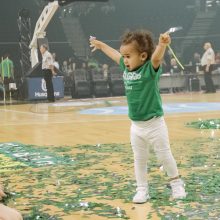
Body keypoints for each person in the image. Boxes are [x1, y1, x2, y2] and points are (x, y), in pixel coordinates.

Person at [90, 30, 186, 204]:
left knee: (165, 155)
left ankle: (177, 184)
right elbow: (114, 55)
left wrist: (162, 45)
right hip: (136, 127)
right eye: (124, 56)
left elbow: (156, 58)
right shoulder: (125, 67)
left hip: (155, 125)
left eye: (128, 56)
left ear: (142, 56)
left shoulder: (150, 68)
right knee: (139, 159)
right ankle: (142, 189)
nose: (124, 59)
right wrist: (101, 45)